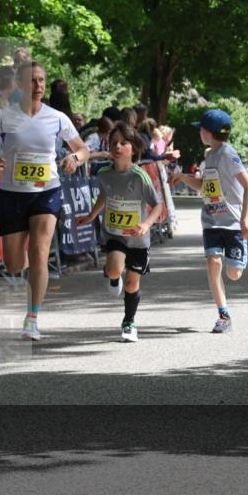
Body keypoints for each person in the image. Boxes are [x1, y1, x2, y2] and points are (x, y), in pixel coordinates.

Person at [0, 61, 89, 341]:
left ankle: (32, 318)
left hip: (46, 192)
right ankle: (28, 277)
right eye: (31, 81)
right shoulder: (4, 117)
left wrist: (74, 158)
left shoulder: (57, 117)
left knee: (39, 252)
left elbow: (83, 150)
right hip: (12, 194)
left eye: (41, 81)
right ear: (19, 85)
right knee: (14, 264)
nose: (37, 86)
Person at [76, 123, 164, 342]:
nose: (117, 146)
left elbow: (158, 205)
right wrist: (91, 215)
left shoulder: (139, 176)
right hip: (115, 234)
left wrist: (146, 224)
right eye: (114, 142)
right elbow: (104, 196)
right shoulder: (104, 173)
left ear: (133, 148)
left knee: (133, 283)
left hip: (138, 239)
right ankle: (113, 278)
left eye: (123, 143)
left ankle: (129, 322)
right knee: (115, 269)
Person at [170, 109, 248, 334]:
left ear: (207, 133)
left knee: (233, 274)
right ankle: (223, 314)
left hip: (234, 223)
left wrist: (245, 220)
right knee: (213, 263)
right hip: (211, 221)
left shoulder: (227, 153)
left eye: (201, 129)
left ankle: (241, 249)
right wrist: (182, 178)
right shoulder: (210, 155)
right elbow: (204, 187)